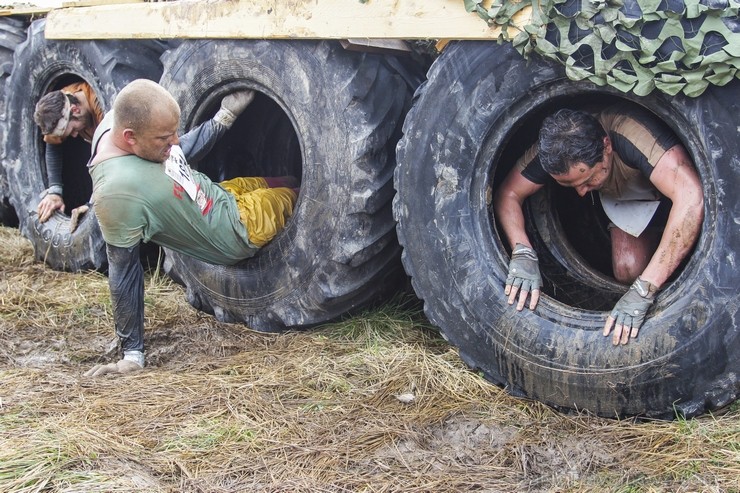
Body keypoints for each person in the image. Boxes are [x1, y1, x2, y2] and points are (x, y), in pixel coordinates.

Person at [84, 79, 298, 377]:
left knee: (287, 181)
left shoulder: (114, 125)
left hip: (221, 194)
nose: (173, 141)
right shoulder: (118, 194)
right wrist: (132, 354)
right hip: (237, 227)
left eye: (174, 131)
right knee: (297, 197)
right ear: (130, 137)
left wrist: (223, 119)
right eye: (164, 137)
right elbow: (123, 272)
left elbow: (178, 151)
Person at [493, 105, 703, 346]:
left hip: (677, 198)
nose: (582, 193)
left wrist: (645, 289)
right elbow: (508, 193)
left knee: (647, 276)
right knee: (628, 269)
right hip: (632, 201)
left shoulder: (633, 136)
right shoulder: (553, 153)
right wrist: (522, 251)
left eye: (590, 179)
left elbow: (691, 196)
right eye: (571, 186)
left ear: (607, 147)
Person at [33, 82, 105, 228]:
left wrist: (92, 204)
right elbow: (53, 143)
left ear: (75, 109)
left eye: (72, 129)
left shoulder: (101, 106)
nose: (74, 136)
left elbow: (114, 160)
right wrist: (55, 192)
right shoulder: (58, 107)